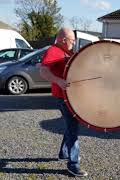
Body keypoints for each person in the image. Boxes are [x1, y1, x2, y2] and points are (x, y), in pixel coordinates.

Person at [39, 28, 88, 177]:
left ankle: (63, 153)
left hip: (71, 97)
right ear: (63, 39)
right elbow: (43, 70)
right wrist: (59, 81)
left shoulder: (67, 52)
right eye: (72, 40)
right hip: (63, 97)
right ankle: (73, 164)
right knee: (73, 128)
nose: (74, 42)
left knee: (70, 126)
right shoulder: (53, 50)